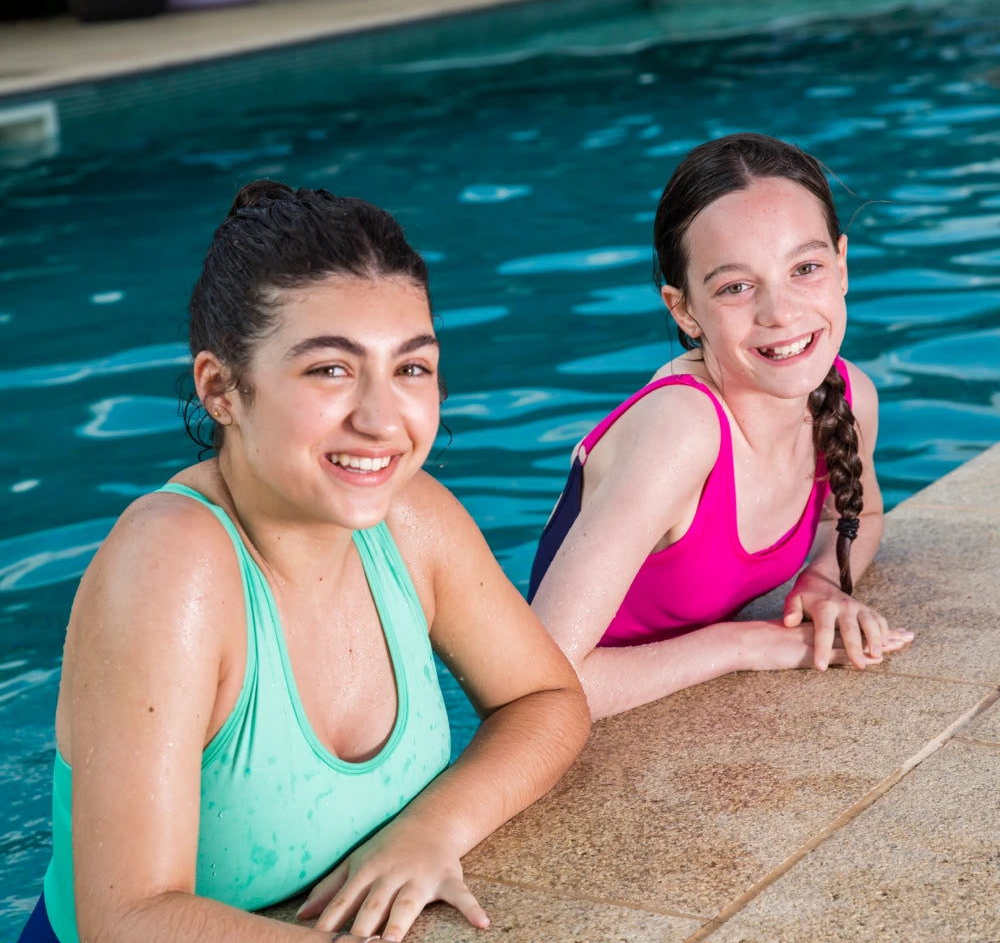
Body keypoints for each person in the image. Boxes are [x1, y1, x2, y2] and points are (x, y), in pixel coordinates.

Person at [19, 181, 590, 943]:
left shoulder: (412, 521)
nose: (383, 420)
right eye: (331, 369)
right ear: (221, 388)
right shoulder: (171, 567)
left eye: (412, 369)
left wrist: (430, 830)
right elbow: (127, 918)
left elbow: (547, 697)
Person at [528, 132, 914, 721]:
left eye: (805, 268)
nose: (779, 313)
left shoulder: (847, 394)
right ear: (683, 309)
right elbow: (538, 684)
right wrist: (743, 644)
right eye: (736, 286)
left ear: (842, 265)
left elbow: (859, 516)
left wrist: (819, 581)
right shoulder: (682, 432)